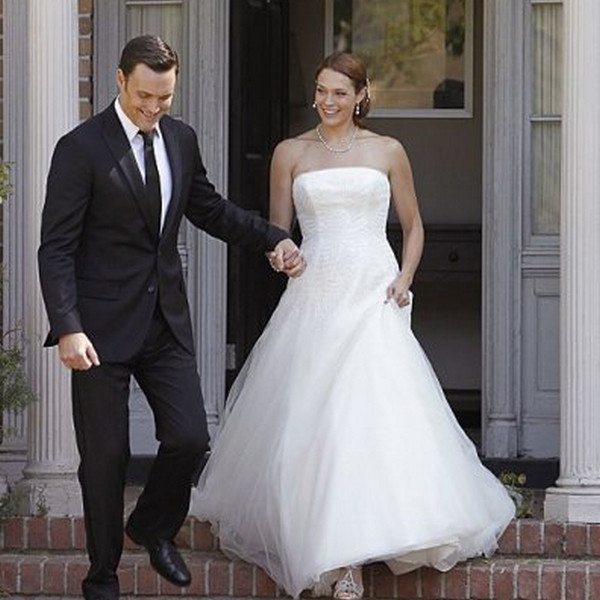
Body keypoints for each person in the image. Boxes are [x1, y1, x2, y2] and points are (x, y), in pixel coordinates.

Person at [191, 51, 515, 600]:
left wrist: (405, 278)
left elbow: (413, 225)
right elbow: (277, 233)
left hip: (373, 290)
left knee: (370, 416)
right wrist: (282, 256)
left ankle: (368, 544)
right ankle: (340, 559)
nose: (328, 101)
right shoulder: (289, 152)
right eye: (321, 90)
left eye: (340, 92)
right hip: (316, 292)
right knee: (319, 420)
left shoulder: (388, 150)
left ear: (362, 95)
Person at [37, 35, 303, 600]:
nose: (154, 108)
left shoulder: (180, 139)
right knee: (105, 460)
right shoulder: (80, 148)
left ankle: (153, 525)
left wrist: (272, 238)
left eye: (164, 97)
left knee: (189, 438)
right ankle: (102, 579)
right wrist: (67, 326)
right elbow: (55, 247)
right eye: (144, 96)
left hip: (164, 322)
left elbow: (209, 208)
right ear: (120, 80)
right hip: (97, 330)